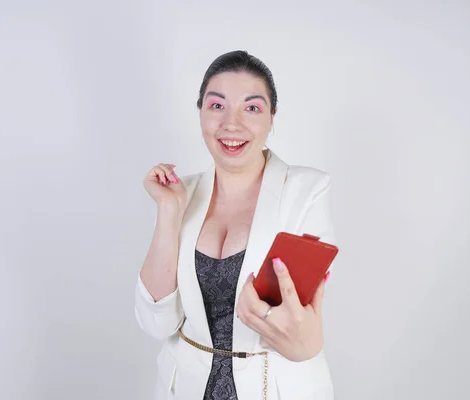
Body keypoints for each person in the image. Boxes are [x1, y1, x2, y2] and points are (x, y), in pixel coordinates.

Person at [135, 50, 337, 400]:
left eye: (252, 108)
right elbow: (158, 322)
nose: (232, 124)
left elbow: (300, 338)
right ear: (200, 111)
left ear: (273, 117)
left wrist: (295, 331)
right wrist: (169, 211)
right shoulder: (183, 193)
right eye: (217, 106)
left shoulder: (306, 191)